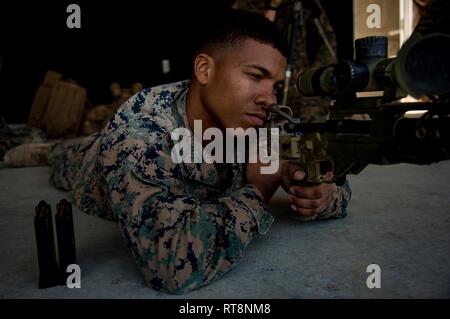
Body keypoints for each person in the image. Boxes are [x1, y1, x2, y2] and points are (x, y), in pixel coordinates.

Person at [4, 9, 351, 294]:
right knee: (65, 154)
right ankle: (45, 150)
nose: (269, 98)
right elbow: (170, 266)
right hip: (88, 163)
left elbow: (333, 179)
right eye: (254, 76)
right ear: (205, 70)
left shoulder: (261, 117)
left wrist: (320, 193)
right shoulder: (138, 136)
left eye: (275, 85)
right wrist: (258, 191)